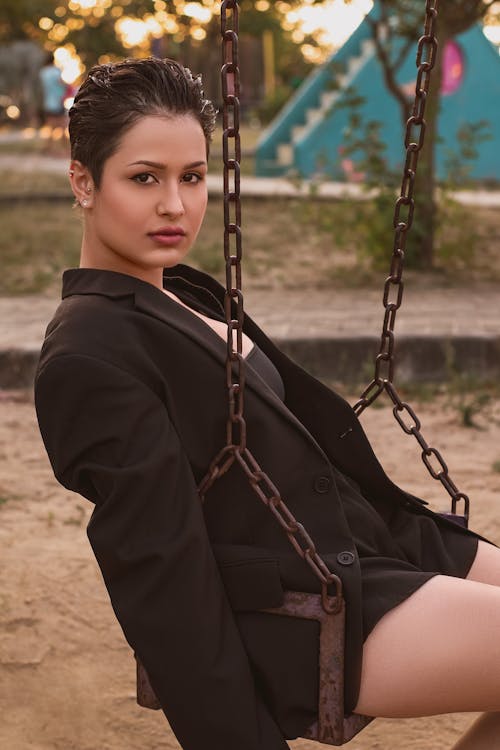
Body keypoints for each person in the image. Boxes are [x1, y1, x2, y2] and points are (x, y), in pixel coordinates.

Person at [34, 57, 500, 750]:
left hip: (377, 540)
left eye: (192, 177)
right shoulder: (89, 354)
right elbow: (161, 575)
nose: (175, 206)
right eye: (144, 178)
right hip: (312, 607)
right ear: (83, 181)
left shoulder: (181, 291)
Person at [39, 52, 67, 152]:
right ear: (53, 60)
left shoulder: (43, 73)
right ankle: (66, 149)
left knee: (50, 127)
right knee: (63, 127)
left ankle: (48, 148)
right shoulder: (56, 71)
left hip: (48, 103)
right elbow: (62, 83)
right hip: (58, 102)